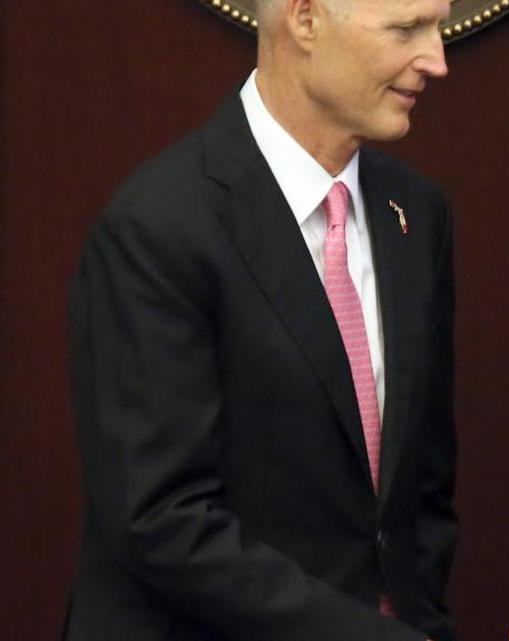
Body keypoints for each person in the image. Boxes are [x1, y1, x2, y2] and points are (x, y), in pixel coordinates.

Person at [66, 0, 457, 639]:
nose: (436, 60)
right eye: (406, 28)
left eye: (438, 27)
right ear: (305, 19)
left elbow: (423, 489)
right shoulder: (158, 227)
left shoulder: (415, 213)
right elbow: (161, 519)